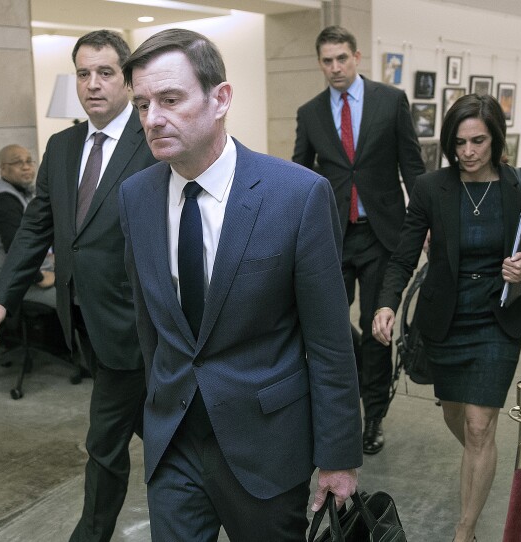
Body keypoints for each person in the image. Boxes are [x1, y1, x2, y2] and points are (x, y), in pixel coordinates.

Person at [119, 28, 362, 541]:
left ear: (220, 98)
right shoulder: (136, 197)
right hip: (174, 441)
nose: (152, 119)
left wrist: (338, 457)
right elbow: (149, 324)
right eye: (142, 104)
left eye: (170, 99)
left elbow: (328, 341)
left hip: (266, 449)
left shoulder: (296, 195)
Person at [0, 30, 157, 542]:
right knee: (160, 430)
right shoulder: (61, 145)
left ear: (127, 78)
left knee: (104, 441)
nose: (92, 84)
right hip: (79, 319)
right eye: (83, 73)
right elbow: (37, 228)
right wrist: (2, 298)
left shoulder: (153, 138)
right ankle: (213, 496)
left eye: (105, 73)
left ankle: (91, 535)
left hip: (136, 324)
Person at [372, 94, 521, 542]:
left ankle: (464, 531)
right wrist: (386, 303)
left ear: (496, 140)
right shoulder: (431, 187)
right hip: (446, 320)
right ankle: (484, 459)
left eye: (478, 141)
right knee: (457, 417)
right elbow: (402, 256)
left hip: (497, 319)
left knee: (480, 426)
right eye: (459, 142)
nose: (468, 152)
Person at [293, 25, 425, 455]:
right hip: (330, 236)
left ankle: (375, 418)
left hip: (381, 234)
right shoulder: (310, 112)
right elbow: (298, 174)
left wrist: (426, 228)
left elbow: (412, 167)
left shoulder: (390, 101)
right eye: (327, 61)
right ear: (320, 63)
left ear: (357, 57)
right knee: (325, 326)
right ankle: (332, 411)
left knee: (376, 329)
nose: (335, 68)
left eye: (342, 59)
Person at [0, 144, 55, 307]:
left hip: (28, 273)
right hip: (10, 282)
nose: (26, 167)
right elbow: (16, 249)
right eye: (17, 163)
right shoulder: (5, 201)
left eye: (29, 161)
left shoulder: (24, 191)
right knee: (76, 299)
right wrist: (40, 278)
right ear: (2, 169)